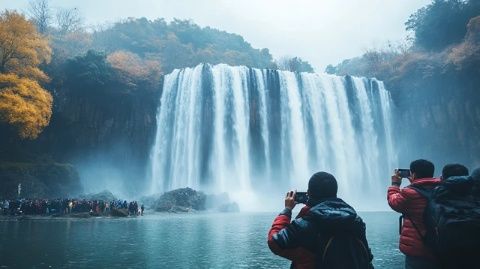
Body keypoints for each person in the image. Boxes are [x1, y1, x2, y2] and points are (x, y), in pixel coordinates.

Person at [268, 172, 373, 269]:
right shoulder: (355, 221)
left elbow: (274, 242)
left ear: (308, 193)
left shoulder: (308, 223)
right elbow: (367, 258)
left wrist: (287, 210)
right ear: (334, 192)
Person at [387, 159, 440, 269]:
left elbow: (394, 202)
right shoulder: (442, 189)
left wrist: (395, 184)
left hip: (418, 248)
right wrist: (415, 183)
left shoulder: (410, 193)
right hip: (440, 245)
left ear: (413, 174)